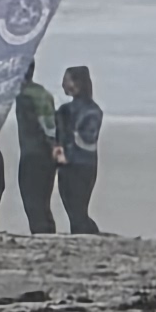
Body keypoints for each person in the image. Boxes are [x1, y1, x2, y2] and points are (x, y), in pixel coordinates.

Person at [53, 64, 106, 234]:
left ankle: (89, 234)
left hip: (81, 164)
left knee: (77, 210)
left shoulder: (92, 111)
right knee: (73, 210)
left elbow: (87, 138)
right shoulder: (65, 110)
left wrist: (65, 148)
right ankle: (86, 234)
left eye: (66, 80)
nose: (63, 84)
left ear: (78, 83)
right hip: (72, 164)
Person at [12, 64, 60, 234]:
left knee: (32, 201)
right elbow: (51, 125)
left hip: (32, 153)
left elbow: (35, 125)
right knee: (44, 202)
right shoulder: (44, 94)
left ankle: (41, 233)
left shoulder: (23, 97)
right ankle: (48, 234)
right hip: (48, 154)